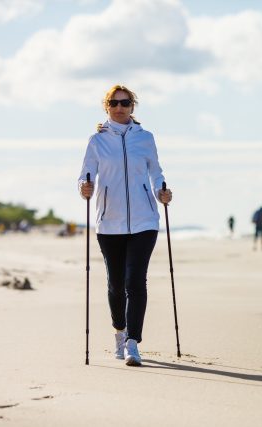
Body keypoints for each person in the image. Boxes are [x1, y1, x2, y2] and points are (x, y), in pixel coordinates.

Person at [78, 84, 172, 367]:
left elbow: (156, 172)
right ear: (107, 107)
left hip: (145, 220)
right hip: (109, 223)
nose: (120, 107)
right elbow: (84, 176)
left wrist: (161, 193)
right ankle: (119, 332)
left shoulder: (145, 138)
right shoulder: (97, 141)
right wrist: (84, 187)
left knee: (135, 281)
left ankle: (133, 342)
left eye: (125, 102)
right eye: (115, 103)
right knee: (116, 285)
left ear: (133, 106)